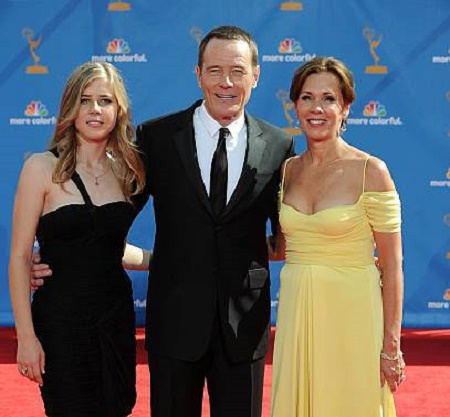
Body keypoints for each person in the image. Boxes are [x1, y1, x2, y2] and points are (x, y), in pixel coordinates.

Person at [31, 26, 294, 417]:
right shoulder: (157, 138)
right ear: (198, 74)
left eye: (237, 71)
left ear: (256, 75)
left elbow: (287, 235)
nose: (226, 82)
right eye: (215, 70)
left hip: (244, 324)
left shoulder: (279, 145)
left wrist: (347, 257)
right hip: (174, 323)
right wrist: (60, 257)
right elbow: (108, 221)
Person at [9, 61, 148, 417]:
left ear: (119, 110)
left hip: (115, 317)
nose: (95, 109)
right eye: (85, 100)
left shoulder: (128, 170)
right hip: (62, 322)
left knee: (118, 407)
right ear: (70, 107)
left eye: (106, 101)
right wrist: (26, 338)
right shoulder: (42, 168)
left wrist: (160, 260)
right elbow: (21, 257)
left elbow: (108, 248)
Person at [270, 56, 405, 417]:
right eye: (307, 97)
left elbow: (392, 267)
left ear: (345, 107)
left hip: (353, 314)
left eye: (328, 98)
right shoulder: (287, 170)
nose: (317, 108)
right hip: (297, 313)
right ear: (295, 105)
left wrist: (391, 347)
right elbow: (280, 248)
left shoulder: (371, 171)